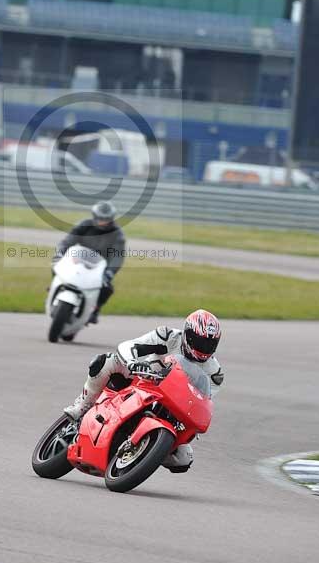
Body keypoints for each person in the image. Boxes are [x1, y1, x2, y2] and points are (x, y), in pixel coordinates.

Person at [63, 309, 224, 472]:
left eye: (209, 344)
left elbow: (204, 401)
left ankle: (148, 451)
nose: (203, 348)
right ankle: (83, 406)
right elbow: (130, 345)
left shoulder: (214, 373)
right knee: (106, 361)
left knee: (183, 458)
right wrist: (132, 362)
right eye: (198, 342)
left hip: (174, 406)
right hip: (143, 380)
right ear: (187, 334)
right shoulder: (167, 336)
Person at [53, 201, 125, 324]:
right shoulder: (84, 225)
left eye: (106, 219)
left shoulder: (117, 234)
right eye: (99, 218)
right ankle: (54, 291)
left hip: (100, 267)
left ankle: (95, 310)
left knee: (107, 288)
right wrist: (60, 254)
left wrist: (110, 272)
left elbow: (118, 256)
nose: (102, 221)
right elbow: (67, 241)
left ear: (111, 219)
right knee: (57, 268)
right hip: (78, 260)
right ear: (94, 216)